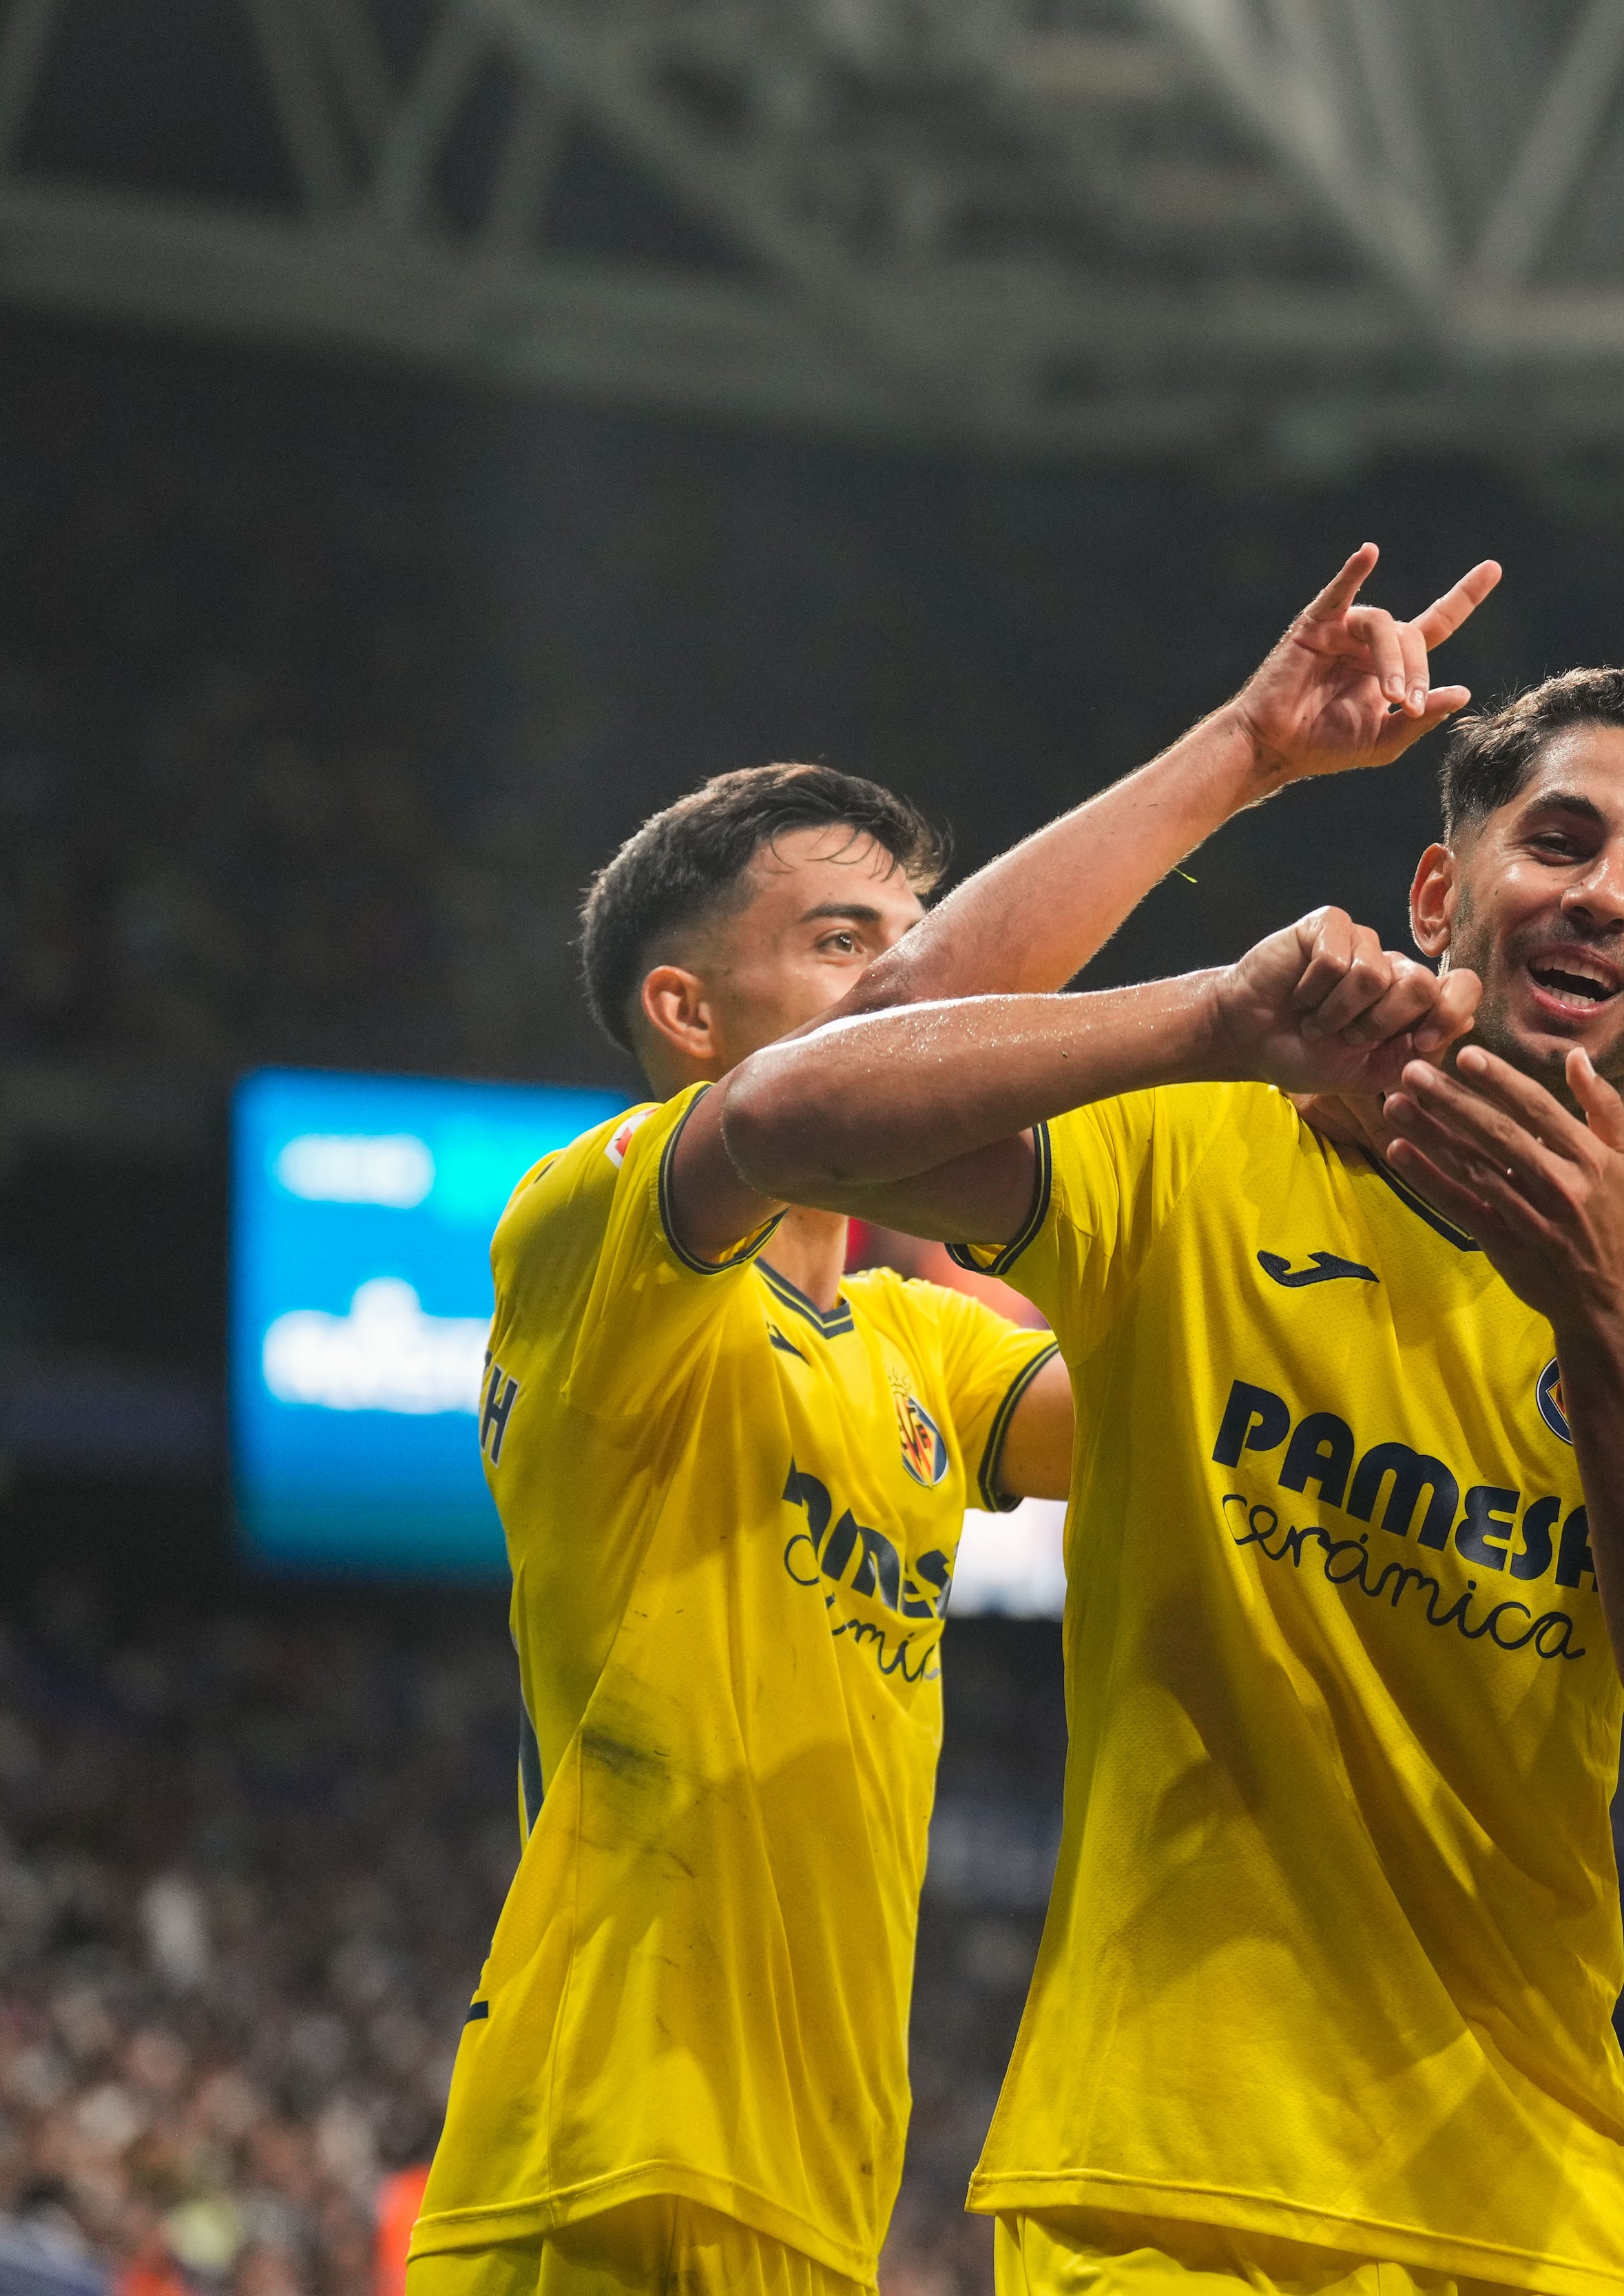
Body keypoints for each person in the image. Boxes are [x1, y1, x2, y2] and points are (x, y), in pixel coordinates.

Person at [720, 573, 1624, 2296]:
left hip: (1521, 2219)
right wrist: (1229, 861)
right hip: (1152, 2194)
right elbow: (794, 1109)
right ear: (1438, 886)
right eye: (1558, 839)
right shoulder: (1201, 1155)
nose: (1603, 896)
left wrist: (1611, 1318)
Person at [408, 763, 1076, 2296]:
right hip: (599, 2169)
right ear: (687, 1012)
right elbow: (810, 1107)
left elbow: (1204, 1410)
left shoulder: (920, 1347)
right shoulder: (585, 1225)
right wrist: (1224, 981)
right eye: (849, 944)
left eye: (929, 942)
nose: (915, 985)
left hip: (822, 2204)